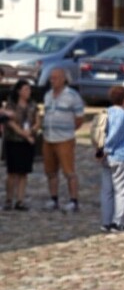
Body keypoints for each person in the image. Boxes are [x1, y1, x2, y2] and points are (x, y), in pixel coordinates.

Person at [41, 68, 85, 212]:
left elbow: (79, 118)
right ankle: (53, 198)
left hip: (64, 139)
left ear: (63, 79)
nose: (52, 80)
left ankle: (74, 200)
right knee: (51, 171)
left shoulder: (72, 96)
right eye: (51, 78)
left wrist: (68, 129)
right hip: (48, 138)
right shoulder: (48, 95)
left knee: (69, 171)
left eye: (55, 78)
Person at [98, 86, 124, 233]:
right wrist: (106, 150)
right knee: (122, 191)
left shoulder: (107, 112)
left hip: (107, 159)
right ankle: (117, 222)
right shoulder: (122, 115)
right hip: (122, 156)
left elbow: (101, 132)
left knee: (107, 191)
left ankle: (106, 221)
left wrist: (100, 150)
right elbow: (115, 134)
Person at [3, 79, 39, 211]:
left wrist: (32, 130)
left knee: (24, 172)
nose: (28, 92)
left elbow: (37, 120)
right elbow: (10, 123)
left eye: (29, 89)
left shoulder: (32, 104)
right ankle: (9, 199)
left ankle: (20, 200)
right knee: (12, 172)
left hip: (27, 142)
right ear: (19, 91)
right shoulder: (11, 105)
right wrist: (24, 134)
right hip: (14, 141)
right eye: (25, 89)